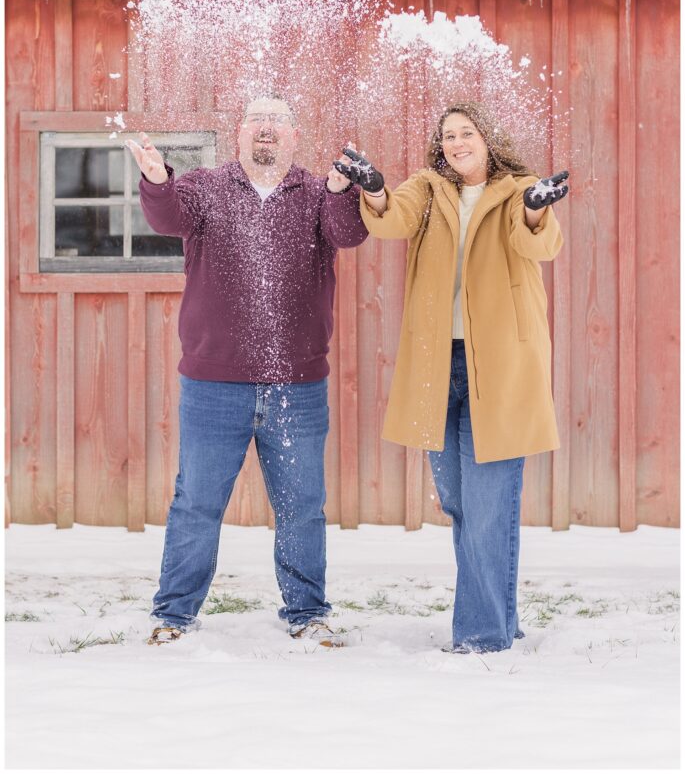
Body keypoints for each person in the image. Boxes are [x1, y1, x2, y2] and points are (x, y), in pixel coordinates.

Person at [125, 96, 366, 647]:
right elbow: (166, 217)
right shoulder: (206, 187)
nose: (266, 129)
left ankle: (308, 613)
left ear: (294, 137)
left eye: (277, 121)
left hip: (297, 386)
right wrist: (158, 179)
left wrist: (339, 190)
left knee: (301, 507)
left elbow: (349, 234)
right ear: (238, 136)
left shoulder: (314, 193)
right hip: (213, 384)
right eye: (256, 120)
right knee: (197, 503)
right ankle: (174, 615)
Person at [335, 102, 568, 654]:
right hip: (438, 367)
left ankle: (482, 636)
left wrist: (536, 209)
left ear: (489, 139)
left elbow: (538, 242)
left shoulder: (519, 189)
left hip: (501, 369)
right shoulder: (428, 189)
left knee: (489, 509)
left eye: (466, 133)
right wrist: (372, 189)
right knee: (463, 507)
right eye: (448, 136)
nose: (457, 142)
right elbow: (392, 217)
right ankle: (500, 622)